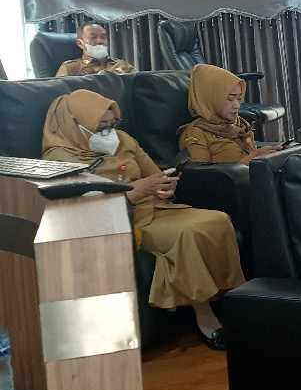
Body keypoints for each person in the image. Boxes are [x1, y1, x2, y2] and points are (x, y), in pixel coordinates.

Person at [42, 89, 244, 350]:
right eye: (101, 127)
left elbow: (153, 175)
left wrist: (164, 187)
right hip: (121, 221)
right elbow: (81, 209)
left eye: (112, 124)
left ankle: (233, 304)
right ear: (75, 125)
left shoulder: (124, 140)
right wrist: (134, 193)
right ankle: (206, 319)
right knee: (189, 232)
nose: (109, 133)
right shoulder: (59, 159)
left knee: (219, 220)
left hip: (156, 208)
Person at [178, 64, 283, 165]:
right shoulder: (195, 133)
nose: (237, 105)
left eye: (239, 98)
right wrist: (247, 162)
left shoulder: (240, 123)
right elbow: (200, 174)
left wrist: (263, 154)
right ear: (211, 99)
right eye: (230, 99)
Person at [55, 23, 136, 76]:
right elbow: (59, 92)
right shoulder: (70, 67)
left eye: (103, 37)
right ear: (80, 43)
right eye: (93, 37)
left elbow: (141, 82)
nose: (100, 41)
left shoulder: (121, 64)